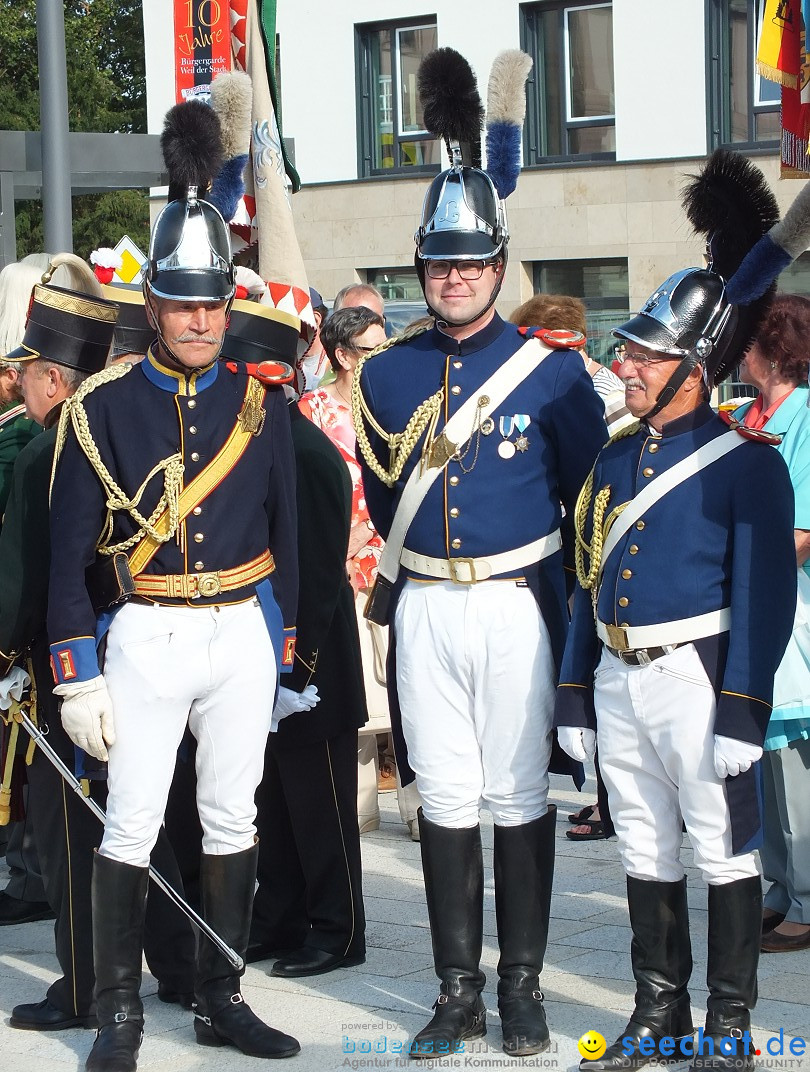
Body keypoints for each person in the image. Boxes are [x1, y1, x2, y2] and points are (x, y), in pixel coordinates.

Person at [354, 47, 607, 1058]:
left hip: (516, 605)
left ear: (499, 267)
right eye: (438, 264)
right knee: (445, 800)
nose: (454, 278)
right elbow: (387, 495)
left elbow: (590, 505)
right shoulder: (387, 376)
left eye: (470, 262)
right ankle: (455, 991)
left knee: (515, 796)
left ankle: (524, 986)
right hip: (426, 604)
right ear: (420, 269)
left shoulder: (551, 375)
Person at [46, 101, 300, 1071]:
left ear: (228, 305)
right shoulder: (101, 409)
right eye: (183, 300)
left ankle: (219, 993)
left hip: (238, 628)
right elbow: (72, 548)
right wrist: (75, 670)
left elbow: (289, 540)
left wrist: (289, 650)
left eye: (213, 301)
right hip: (143, 635)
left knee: (235, 816)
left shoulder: (257, 404)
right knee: (135, 822)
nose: (200, 317)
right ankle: (120, 1014)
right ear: (151, 304)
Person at [555, 150, 798, 1072]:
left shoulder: (748, 466)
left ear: (692, 366)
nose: (624, 364)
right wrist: (577, 691)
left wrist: (744, 707)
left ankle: (729, 1025)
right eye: (628, 351)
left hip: (698, 679)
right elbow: (587, 580)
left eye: (644, 354)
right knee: (647, 849)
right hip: (620, 675)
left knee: (723, 853)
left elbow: (765, 599)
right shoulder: (613, 459)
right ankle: (658, 1013)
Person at [0, 257, 198, 1032]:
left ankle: (82, 983)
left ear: (51, 378)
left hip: (65, 663)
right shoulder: (127, 428)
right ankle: (182, 966)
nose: (23, 387)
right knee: (138, 810)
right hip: (137, 649)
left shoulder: (47, 451)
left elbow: (23, 585)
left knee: (71, 824)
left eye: (27, 373)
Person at [299, 306, 421, 840]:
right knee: (355, 691)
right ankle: (360, 805)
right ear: (342, 356)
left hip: (393, 562)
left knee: (406, 685)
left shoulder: (401, 405)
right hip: (334, 569)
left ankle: (420, 809)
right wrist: (335, 540)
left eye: (385, 346)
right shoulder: (310, 411)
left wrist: (372, 533)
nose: (381, 358)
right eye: (370, 350)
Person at [735, 294, 810, 954]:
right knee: (763, 761)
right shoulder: (745, 416)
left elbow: (800, 531)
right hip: (749, 607)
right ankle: (782, 887)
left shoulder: (807, 418)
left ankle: (808, 899)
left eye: (748, 342)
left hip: (791, 608)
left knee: (792, 765)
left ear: (773, 351)